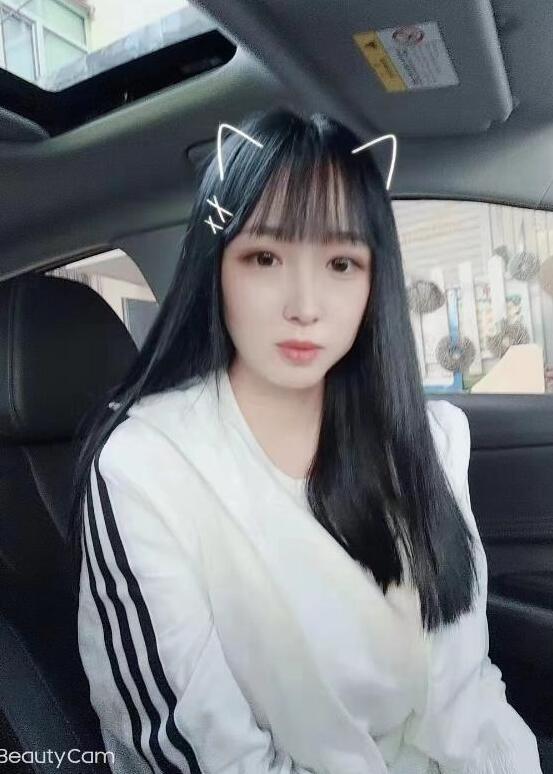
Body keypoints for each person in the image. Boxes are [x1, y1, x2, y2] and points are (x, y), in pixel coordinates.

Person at [68, 109, 543, 774]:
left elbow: (467, 697)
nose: (305, 304)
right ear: (215, 266)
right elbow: (200, 752)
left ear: (375, 279)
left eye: (341, 263)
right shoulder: (145, 468)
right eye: (264, 257)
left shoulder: (430, 440)